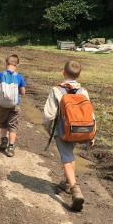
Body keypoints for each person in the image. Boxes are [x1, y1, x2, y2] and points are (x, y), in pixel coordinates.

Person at [42, 59, 93, 211]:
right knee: (70, 155)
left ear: (63, 72)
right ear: (80, 75)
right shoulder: (83, 92)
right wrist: (92, 135)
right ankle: (67, 183)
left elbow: (49, 115)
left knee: (66, 158)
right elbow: (90, 114)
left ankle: (75, 190)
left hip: (62, 130)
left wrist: (48, 129)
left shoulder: (56, 90)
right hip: (80, 129)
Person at [0, 54, 26, 157]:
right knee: (12, 125)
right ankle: (11, 147)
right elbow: (23, 92)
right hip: (15, 105)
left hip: (2, 104)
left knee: (3, 122)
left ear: (6, 64)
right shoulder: (19, 76)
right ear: (17, 65)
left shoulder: (1, 74)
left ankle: (4, 140)